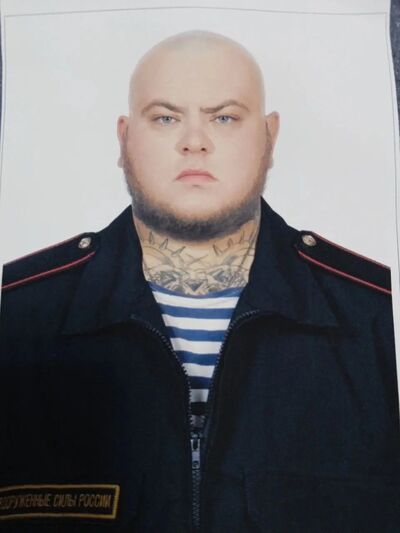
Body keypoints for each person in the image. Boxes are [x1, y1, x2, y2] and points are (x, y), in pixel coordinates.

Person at [0, 30, 399, 532]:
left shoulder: (379, 316)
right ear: (124, 139)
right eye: (165, 118)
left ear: (270, 137)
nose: (194, 141)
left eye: (224, 117)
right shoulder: (16, 314)